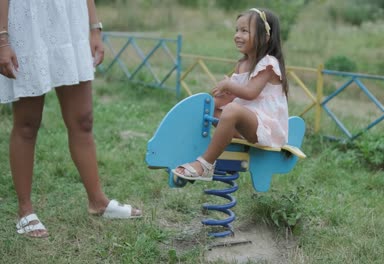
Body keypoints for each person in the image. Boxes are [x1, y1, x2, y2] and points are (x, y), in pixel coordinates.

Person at [0, 0, 142, 238]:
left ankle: (98, 201)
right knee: (27, 123)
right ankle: (25, 212)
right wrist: (2, 39)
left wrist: (94, 27)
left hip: (70, 18)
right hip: (27, 19)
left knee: (83, 119)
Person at [173, 8, 289, 181]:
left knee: (232, 110)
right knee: (209, 110)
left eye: (244, 31)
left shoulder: (268, 64)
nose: (237, 35)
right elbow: (230, 97)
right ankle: (189, 148)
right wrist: (207, 103)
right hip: (245, 125)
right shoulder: (241, 64)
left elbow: (249, 93)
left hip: (265, 127)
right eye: (237, 30)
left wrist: (229, 84)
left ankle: (205, 164)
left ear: (265, 37)